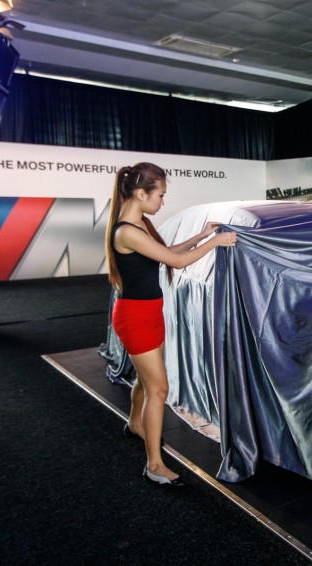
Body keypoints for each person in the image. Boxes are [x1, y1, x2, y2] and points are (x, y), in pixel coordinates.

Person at [105, 162, 237, 487]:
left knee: (147, 379)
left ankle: (136, 423)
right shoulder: (127, 231)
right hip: (135, 317)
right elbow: (175, 262)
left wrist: (203, 234)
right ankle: (154, 465)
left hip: (149, 312)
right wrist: (215, 243)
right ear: (141, 193)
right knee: (158, 389)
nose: (162, 201)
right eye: (160, 194)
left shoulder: (140, 225)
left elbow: (165, 253)